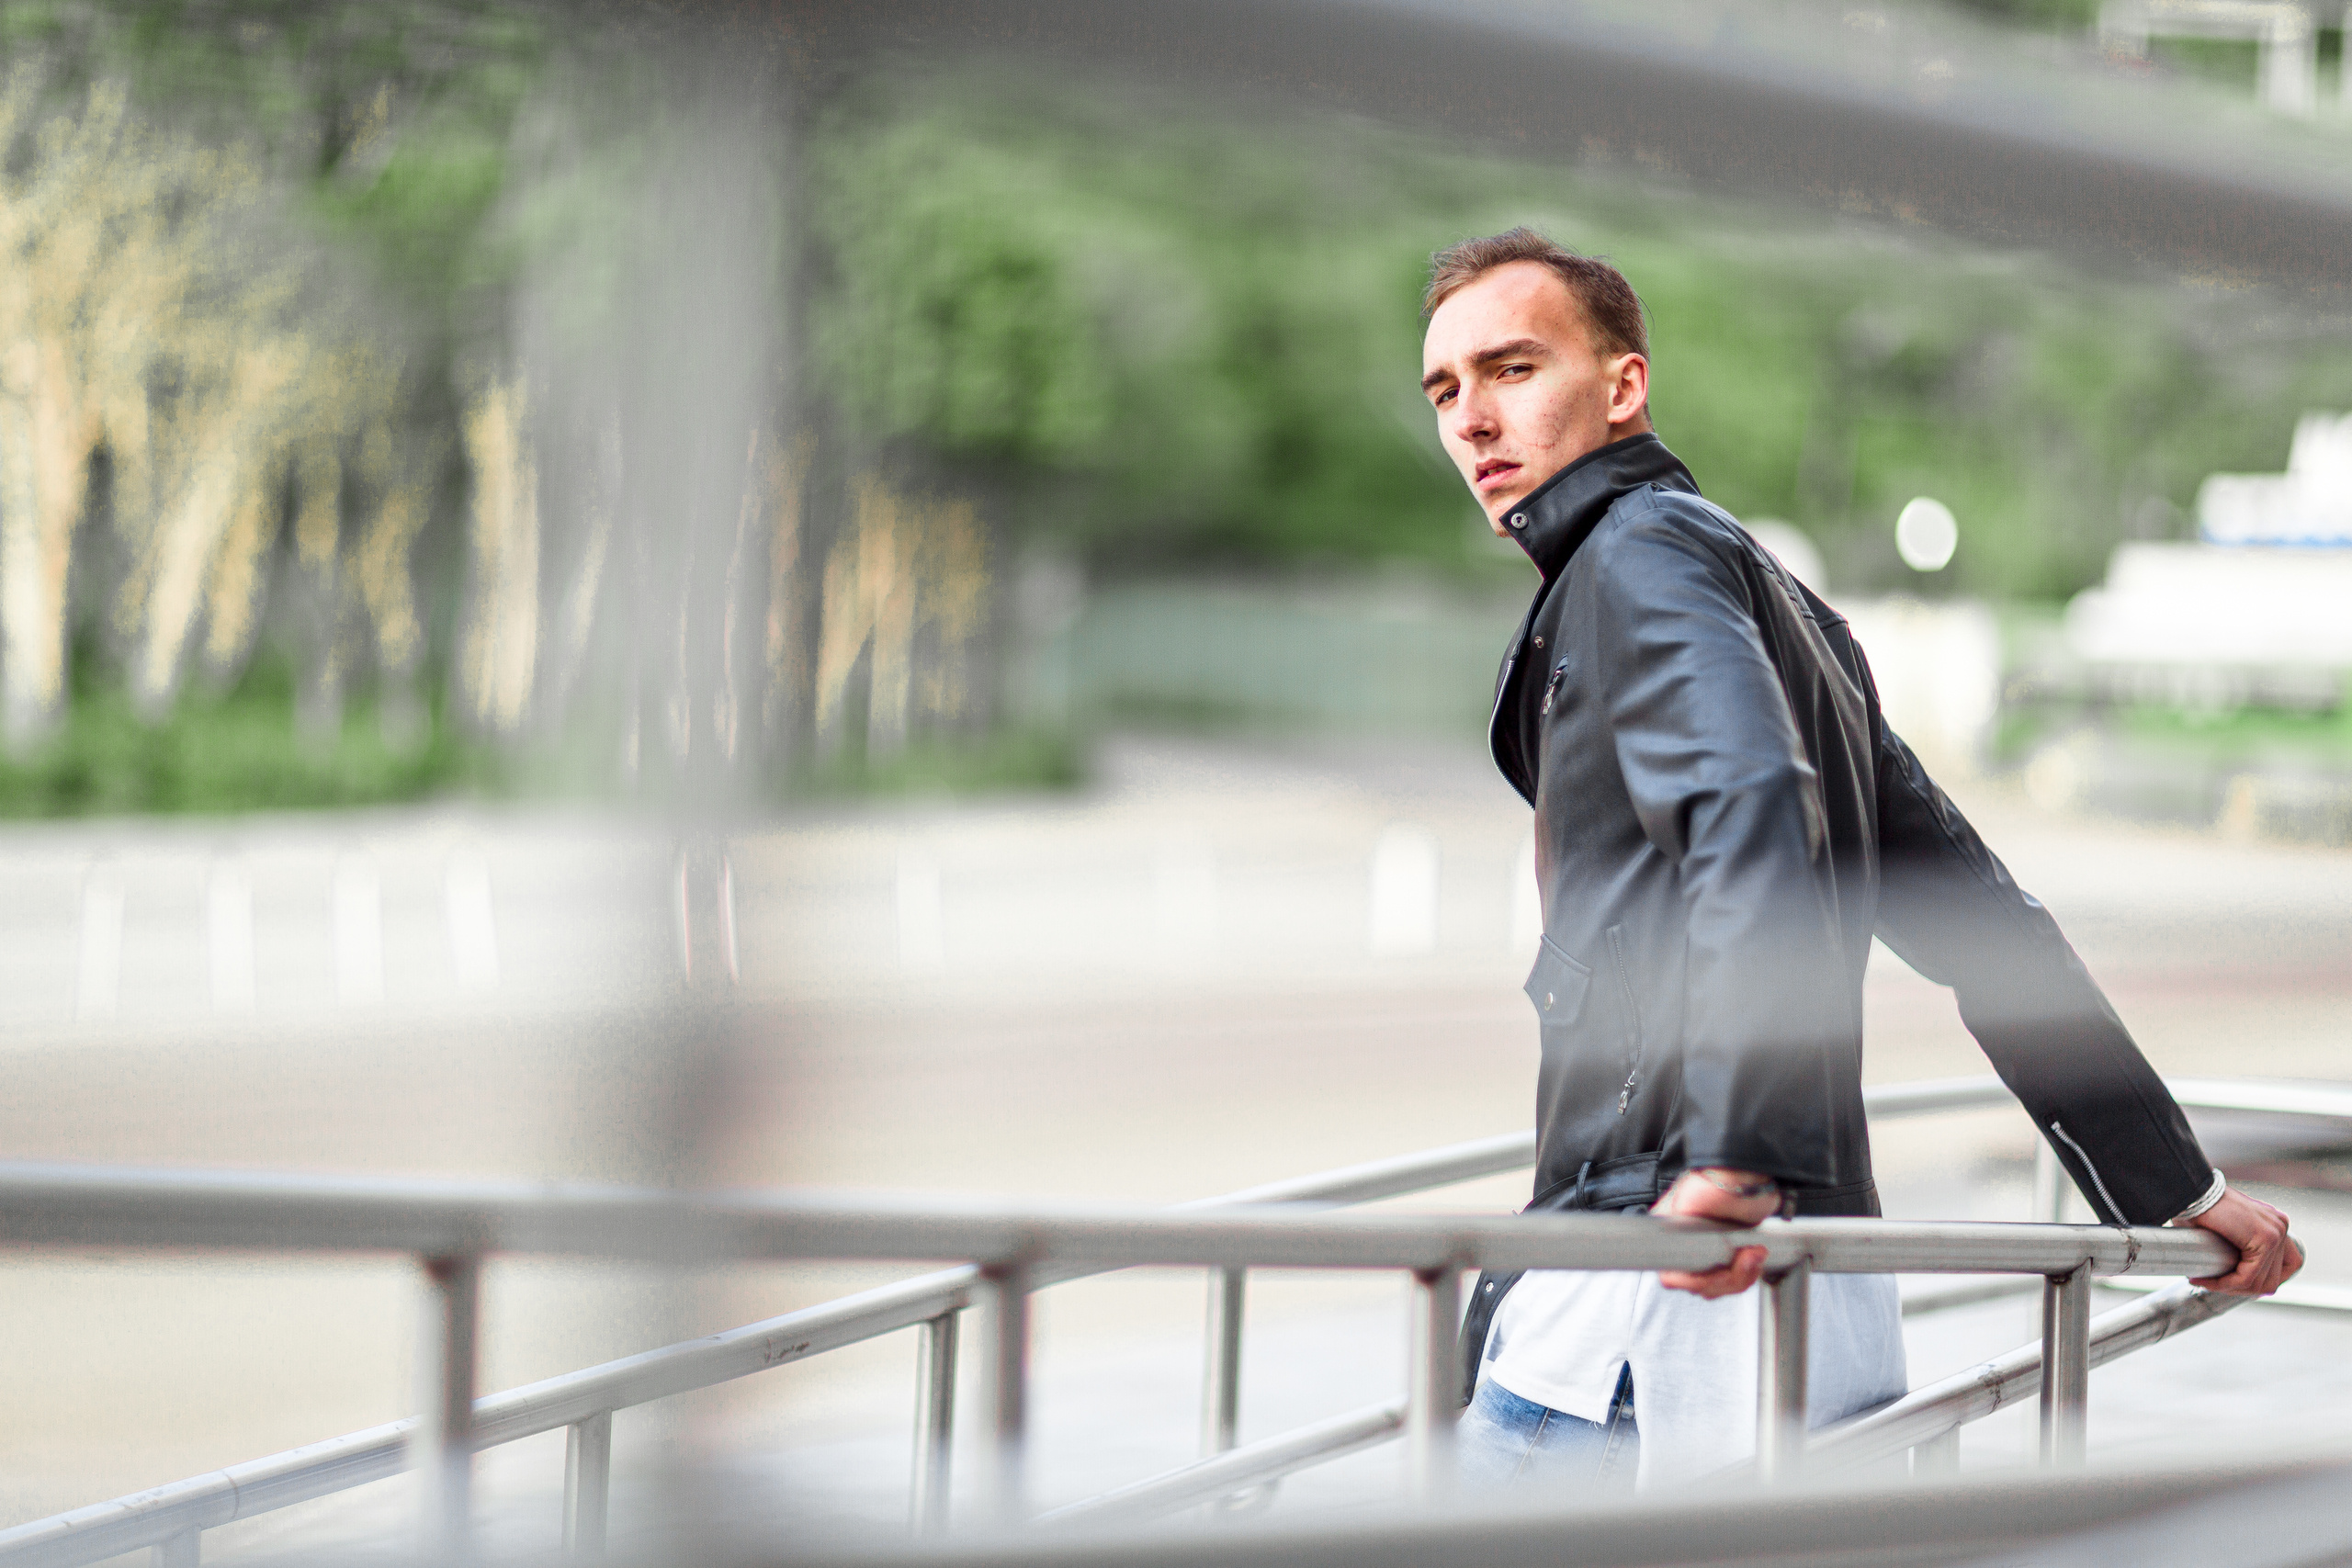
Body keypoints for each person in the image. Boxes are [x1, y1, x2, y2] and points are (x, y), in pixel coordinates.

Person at [1416, 228, 2302, 1492]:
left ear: (1622, 387)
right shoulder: (1760, 590)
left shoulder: (1640, 560)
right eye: (1447, 390)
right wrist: (2171, 1182)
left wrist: (1734, 1154)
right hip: (1805, 1301)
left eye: (1511, 368)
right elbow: (1980, 917)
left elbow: (1747, 799)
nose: (1473, 420)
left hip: (1641, 1322)